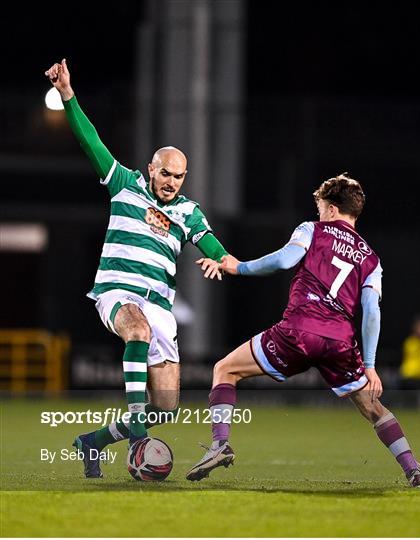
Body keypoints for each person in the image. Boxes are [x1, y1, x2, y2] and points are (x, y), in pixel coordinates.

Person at [45, 59, 227, 478]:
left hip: (159, 305)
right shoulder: (125, 185)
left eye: (179, 176)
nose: (172, 182)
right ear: (151, 168)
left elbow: (215, 246)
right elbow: (91, 142)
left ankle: (91, 443)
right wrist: (69, 96)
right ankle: (138, 437)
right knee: (138, 332)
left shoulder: (188, 212)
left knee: (166, 410)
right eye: (166, 173)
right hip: (117, 293)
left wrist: (232, 264)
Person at [188, 174, 420, 488]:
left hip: (299, 332)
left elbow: (283, 260)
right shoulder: (371, 259)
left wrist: (238, 266)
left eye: (320, 208)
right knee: (372, 406)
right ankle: (413, 470)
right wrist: (369, 366)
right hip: (340, 343)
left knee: (224, 369)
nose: (319, 214)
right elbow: (371, 311)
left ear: (330, 208)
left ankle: (220, 445)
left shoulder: (312, 229)